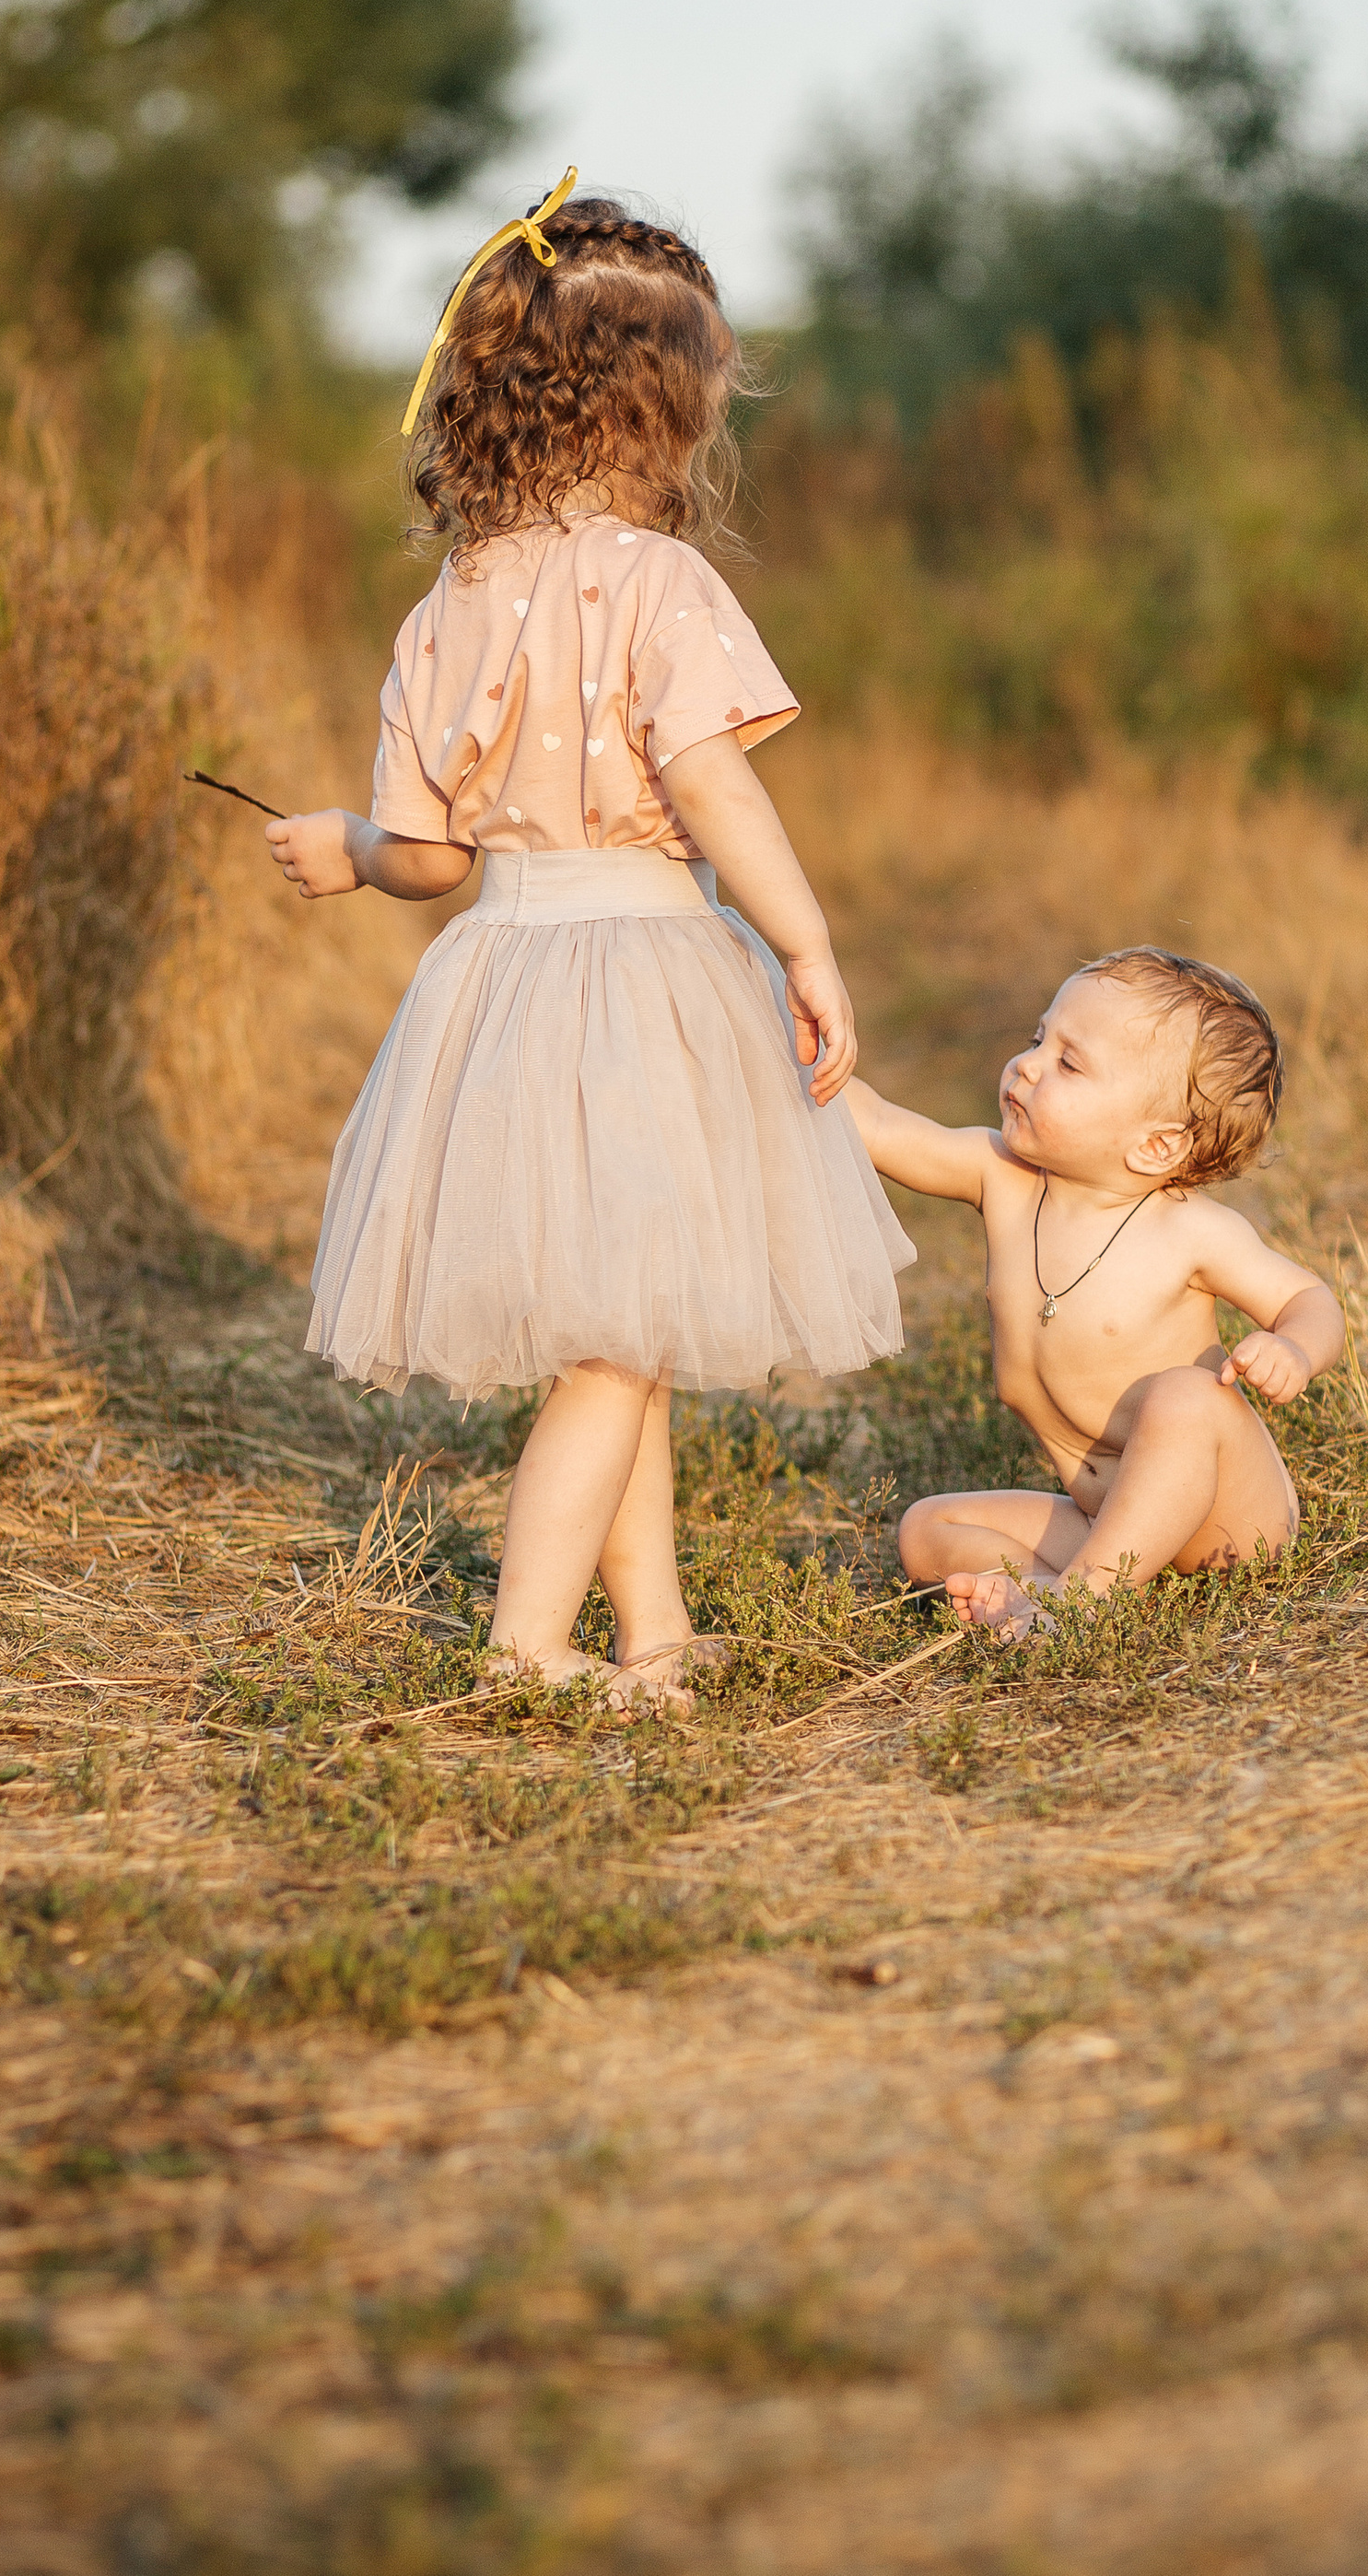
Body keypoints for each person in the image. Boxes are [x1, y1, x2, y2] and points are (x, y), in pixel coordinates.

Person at [265, 176, 910, 1707]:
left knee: (627, 1333)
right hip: (642, 973)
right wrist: (806, 942)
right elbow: (707, 775)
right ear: (660, 412)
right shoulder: (661, 582)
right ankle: (528, 1643)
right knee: (616, 1352)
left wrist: (346, 852)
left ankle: (660, 1629)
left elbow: (426, 855)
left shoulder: (445, 607)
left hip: (498, 975)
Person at [844, 949, 1341, 1634]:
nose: (1028, 1065)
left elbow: (1310, 1300)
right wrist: (806, 1060)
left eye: (1069, 1064)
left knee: (1185, 1394)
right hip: (1104, 1521)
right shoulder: (1004, 1179)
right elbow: (881, 1128)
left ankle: (1079, 1599)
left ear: (1157, 1147)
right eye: (1037, 1039)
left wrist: (1294, 1348)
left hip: (1229, 1519)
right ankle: (1062, 1593)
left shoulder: (1190, 1231)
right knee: (926, 1530)